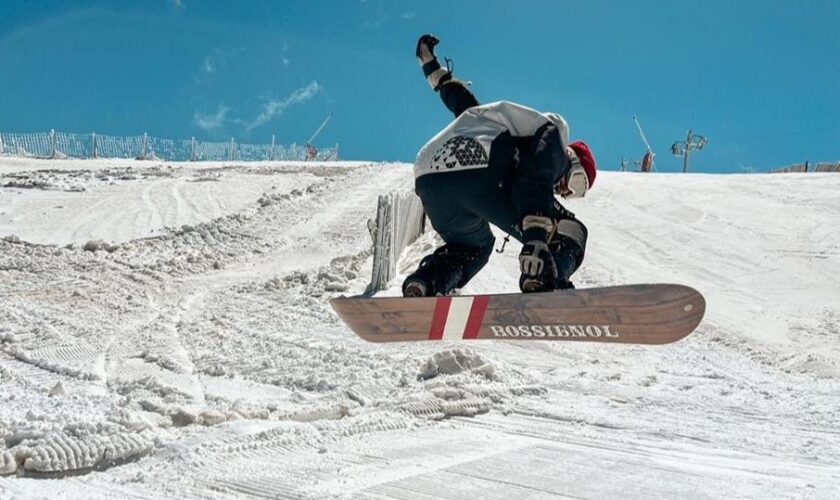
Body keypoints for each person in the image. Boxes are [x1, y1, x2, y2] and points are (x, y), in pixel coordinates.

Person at [402, 34, 597, 297]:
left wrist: (432, 69)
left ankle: (426, 282)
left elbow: (465, 106)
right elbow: (535, 175)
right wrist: (537, 236)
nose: (566, 192)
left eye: (576, 193)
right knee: (571, 230)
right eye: (577, 182)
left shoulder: (496, 124)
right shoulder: (554, 133)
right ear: (571, 158)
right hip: (484, 172)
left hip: (430, 177)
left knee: (473, 247)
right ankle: (544, 278)